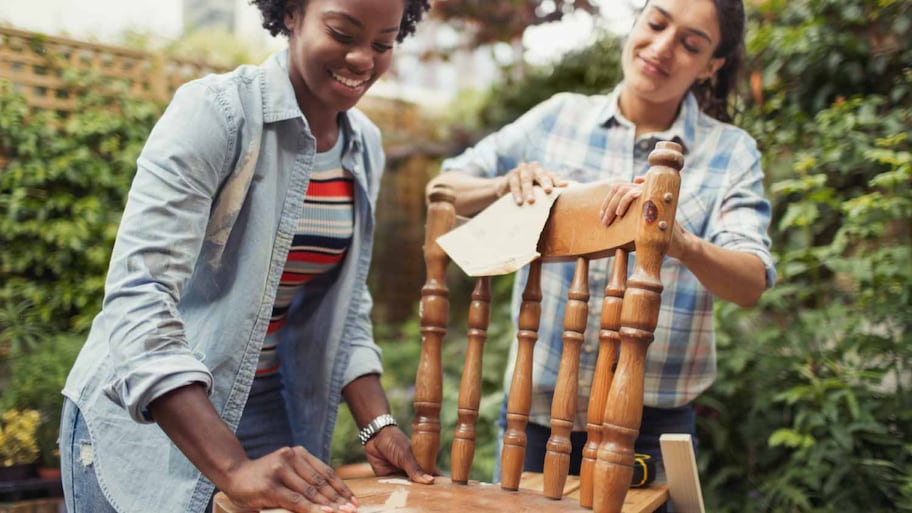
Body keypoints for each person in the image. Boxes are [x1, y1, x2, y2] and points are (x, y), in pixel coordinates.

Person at [59, 1, 433, 512]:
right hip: (151, 420)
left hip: (265, 413)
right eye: (342, 32)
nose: (363, 59)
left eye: (383, 43)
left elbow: (346, 305)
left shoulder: (364, 145)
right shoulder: (216, 112)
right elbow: (138, 296)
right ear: (293, 13)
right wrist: (232, 467)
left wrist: (377, 423)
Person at [427, 0, 776, 482]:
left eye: (690, 44)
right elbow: (442, 189)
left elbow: (751, 282)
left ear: (710, 65)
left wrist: (681, 243)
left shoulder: (730, 152)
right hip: (535, 415)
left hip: (652, 428)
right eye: (655, 24)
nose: (662, 48)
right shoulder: (557, 119)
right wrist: (503, 185)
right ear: (637, 22)